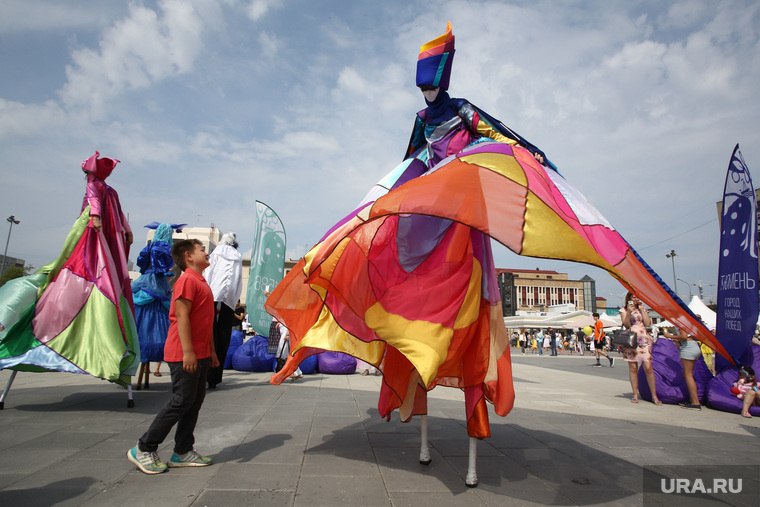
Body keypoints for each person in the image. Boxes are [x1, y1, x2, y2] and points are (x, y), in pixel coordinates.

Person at [128, 239, 218, 474]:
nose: (206, 253)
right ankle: (144, 447)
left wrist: (211, 351)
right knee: (180, 401)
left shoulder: (201, 282)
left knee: (193, 403)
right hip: (183, 353)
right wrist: (188, 351)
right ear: (189, 256)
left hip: (200, 354)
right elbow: (182, 316)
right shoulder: (187, 280)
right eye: (202, 250)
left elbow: (206, 322)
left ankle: (182, 451)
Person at [204, 232, 243, 389]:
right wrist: (234, 299)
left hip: (213, 295)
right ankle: (215, 376)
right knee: (223, 336)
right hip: (229, 300)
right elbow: (239, 281)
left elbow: (209, 273)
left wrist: (206, 290)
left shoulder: (217, 253)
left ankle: (207, 374)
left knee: (210, 333)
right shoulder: (237, 257)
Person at [619, 292, 660, 405]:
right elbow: (626, 325)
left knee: (648, 367)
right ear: (629, 298)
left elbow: (647, 323)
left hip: (643, 340)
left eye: (637, 296)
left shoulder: (642, 309)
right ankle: (635, 394)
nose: (635, 298)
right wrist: (629, 311)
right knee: (633, 368)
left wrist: (642, 310)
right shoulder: (624, 310)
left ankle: (654, 395)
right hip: (631, 340)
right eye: (633, 297)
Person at [662, 320, 703, 410]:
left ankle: (695, 403)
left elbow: (684, 336)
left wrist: (669, 336)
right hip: (694, 346)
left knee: (688, 376)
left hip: (688, 347)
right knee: (687, 375)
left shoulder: (681, 323)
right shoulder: (688, 322)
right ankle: (692, 399)